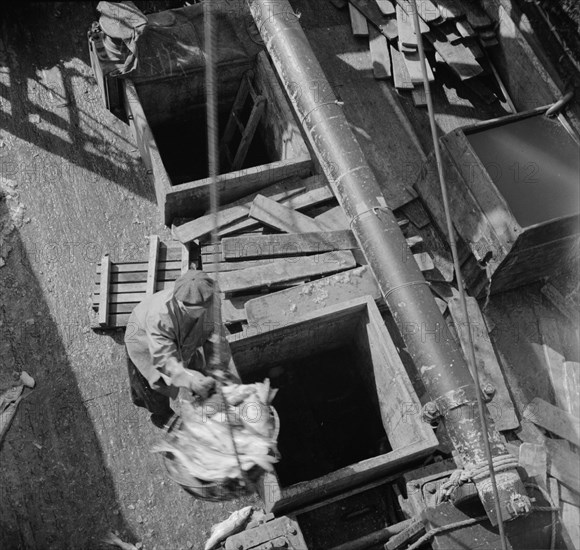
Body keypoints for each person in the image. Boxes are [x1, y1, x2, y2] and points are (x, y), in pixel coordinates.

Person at [124, 270, 232, 428]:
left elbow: (214, 333)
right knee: (152, 387)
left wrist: (217, 365)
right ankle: (163, 416)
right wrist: (191, 379)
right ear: (180, 301)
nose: (201, 312)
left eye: (203, 308)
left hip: (185, 340)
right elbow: (165, 361)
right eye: (192, 309)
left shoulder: (212, 299)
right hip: (144, 341)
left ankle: (200, 398)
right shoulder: (160, 317)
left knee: (197, 366)